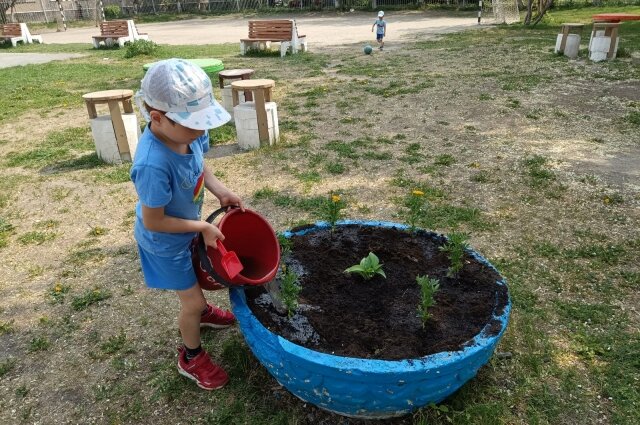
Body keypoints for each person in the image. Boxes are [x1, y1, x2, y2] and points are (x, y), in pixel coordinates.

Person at [131, 58, 244, 391]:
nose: (201, 132)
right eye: (195, 125)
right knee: (190, 302)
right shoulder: (152, 164)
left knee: (195, 287)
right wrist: (201, 228)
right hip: (164, 242)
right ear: (157, 118)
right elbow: (154, 220)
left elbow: (200, 166)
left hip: (185, 230)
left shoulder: (187, 132)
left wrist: (220, 190)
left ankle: (204, 312)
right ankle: (191, 357)